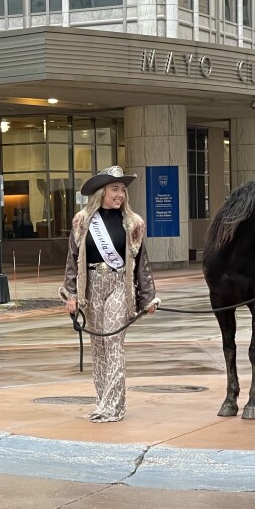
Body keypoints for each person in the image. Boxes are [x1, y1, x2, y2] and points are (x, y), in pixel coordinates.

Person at [60, 165, 156, 423]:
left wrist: (148, 297)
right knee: (99, 345)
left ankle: (114, 407)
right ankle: (102, 401)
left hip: (119, 284)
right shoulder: (82, 221)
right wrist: (71, 294)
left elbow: (142, 263)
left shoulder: (133, 223)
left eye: (122, 190)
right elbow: (72, 259)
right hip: (92, 285)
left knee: (113, 341)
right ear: (102, 192)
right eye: (115, 189)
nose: (120, 195)